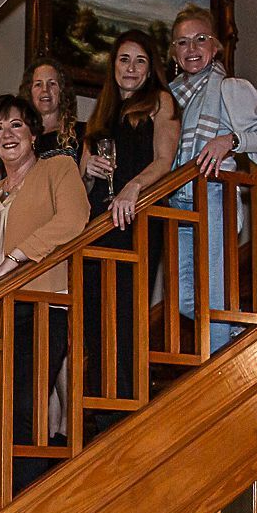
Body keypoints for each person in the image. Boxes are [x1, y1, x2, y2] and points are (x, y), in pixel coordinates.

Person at [0, 95, 89, 495]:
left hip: (36, 305)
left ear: (34, 133)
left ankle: (29, 502)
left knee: (25, 408)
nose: (7, 134)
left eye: (16, 125)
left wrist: (16, 259)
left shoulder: (58, 168)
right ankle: (6, 502)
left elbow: (74, 219)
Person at [167, 4, 257, 353]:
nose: (192, 49)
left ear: (215, 46)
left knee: (214, 296)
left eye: (200, 39)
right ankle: (236, 336)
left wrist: (231, 140)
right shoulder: (169, 97)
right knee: (184, 300)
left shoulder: (229, 88)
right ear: (173, 52)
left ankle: (218, 365)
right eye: (182, 42)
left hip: (214, 195)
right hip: (177, 203)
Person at [80, 30, 180, 423]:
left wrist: (132, 189)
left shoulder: (161, 101)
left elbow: (164, 161)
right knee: (93, 319)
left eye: (140, 60)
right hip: (97, 223)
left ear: (150, 67)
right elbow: (81, 184)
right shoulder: (100, 112)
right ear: (113, 65)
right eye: (124, 59)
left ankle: (124, 413)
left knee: (125, 315)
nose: (132, 68)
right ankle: (97, 411)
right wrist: (86, 169)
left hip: (135, 219)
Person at [21, 56, 85, 164]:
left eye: (52, 83)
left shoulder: (82, 133)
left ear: (62, 91)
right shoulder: (21, 137)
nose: (45, 90)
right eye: (38, 84)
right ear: (29, 92)